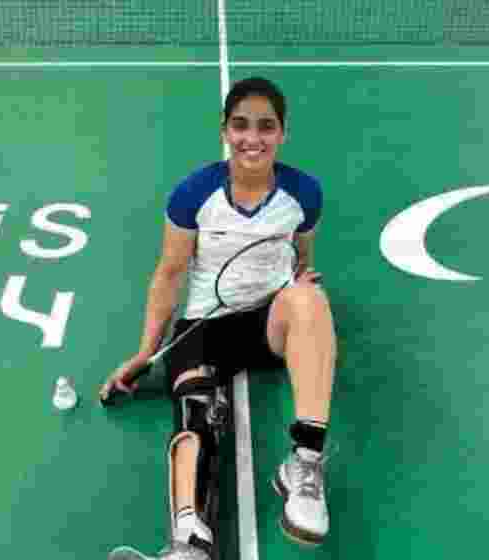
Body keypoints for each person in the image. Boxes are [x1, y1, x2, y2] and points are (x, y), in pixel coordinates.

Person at [100, 76, 337, 560]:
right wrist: (146, 351)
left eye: (266, 126)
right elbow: (168, 274)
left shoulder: (304, 192)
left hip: (266, 320)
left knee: (311, 300)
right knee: (196, 411)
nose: (253, 138)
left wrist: (299, 287)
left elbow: (302, 255)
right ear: (225, 130)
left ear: (283, 133)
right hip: (205, 324)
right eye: (241, 125)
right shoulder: (195, 192)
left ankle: (305, 463)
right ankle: (189, 540)